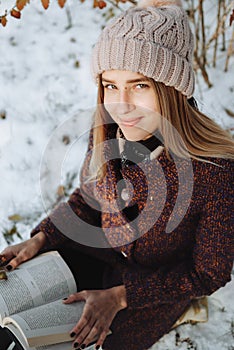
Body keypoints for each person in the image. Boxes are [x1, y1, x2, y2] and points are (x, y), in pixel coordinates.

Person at [0, 0, 233, 349]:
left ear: (172, 89)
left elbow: (208, 273)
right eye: (110, 86)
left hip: (146, 293)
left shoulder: (215, 172)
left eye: (139, 86)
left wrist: (121, 297)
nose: (121, 104)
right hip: (94, 255)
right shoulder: (111, 133)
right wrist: (43, 238)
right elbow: (88, 198)